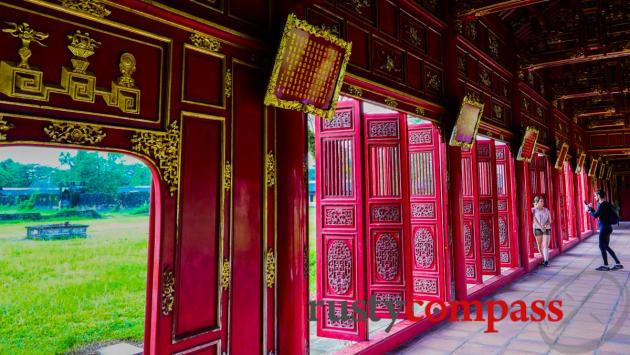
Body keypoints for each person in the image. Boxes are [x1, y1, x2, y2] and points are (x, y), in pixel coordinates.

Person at [585, 189, 623, 271]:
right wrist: (591, 209)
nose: (595, 197)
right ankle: (618, 263)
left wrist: (589, 210)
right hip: (608, 227)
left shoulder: (602, 205)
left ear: (599, 196)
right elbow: (599, 214)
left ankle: (606, 265)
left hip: (604, 228)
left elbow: (595, 216)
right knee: (605, 246)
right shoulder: (605, 204)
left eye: (595, 196)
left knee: (602, 246)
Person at [532, 196, 552, 267]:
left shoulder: (546, 210)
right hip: (537, 228)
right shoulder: (534, 210)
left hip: (546, 228)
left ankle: (546, 261)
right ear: (537, 202)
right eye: (540, 201)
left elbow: (550, 220)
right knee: (540, 246)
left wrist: (545, 226)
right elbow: (534, 220)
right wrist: (541, 227)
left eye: (543, 201)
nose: (542, 203)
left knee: (545, 245)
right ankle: (544, 259)